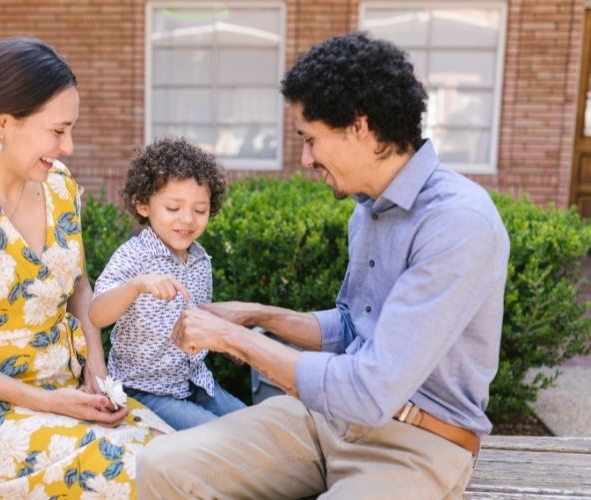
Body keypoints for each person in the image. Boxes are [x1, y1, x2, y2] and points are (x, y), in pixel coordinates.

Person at [138, 31, 510, 499]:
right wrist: (255, 315)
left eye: (310, 139)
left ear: (359, 127)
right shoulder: (368, 209)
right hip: (323, 420)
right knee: (162, 465)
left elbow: (371, 389)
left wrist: (239, 340)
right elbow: (357, 327)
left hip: (416, 443)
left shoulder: (457, 223)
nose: (306, 157)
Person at [0, 37, 170, 499]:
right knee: (136, 475)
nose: (69, 146)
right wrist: (48, 402)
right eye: (58, 130)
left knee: (180, 459)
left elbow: (79, 287)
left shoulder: (60, 188)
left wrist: (98, 375)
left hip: (72, 392)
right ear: (3, 122)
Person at [88, 138, 246, 430]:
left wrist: (226, 344)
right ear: (143, 204)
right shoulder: (134, 256)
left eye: (200, 210)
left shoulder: (201, 261)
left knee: (258, 424)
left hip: (195, 382)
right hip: (146, 391)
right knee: (220, 437)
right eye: (173, 207)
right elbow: (96, 314)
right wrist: (136, 286)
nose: (187, 219)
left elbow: (199, 325)